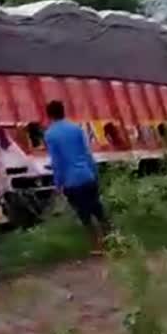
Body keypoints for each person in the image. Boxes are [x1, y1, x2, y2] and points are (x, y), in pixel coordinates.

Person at [44, 100, 110, 253]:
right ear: (63, 111)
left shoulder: (50, 135)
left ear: (49, 115)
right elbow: (87, 153)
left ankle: (97, 247)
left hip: (71, 181)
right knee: (98, 210)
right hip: (87, 175)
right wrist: (94, 172)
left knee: (85, 216)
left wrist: (58, 183)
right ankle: (113, 240)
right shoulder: (76, 129)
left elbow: (57, 161)